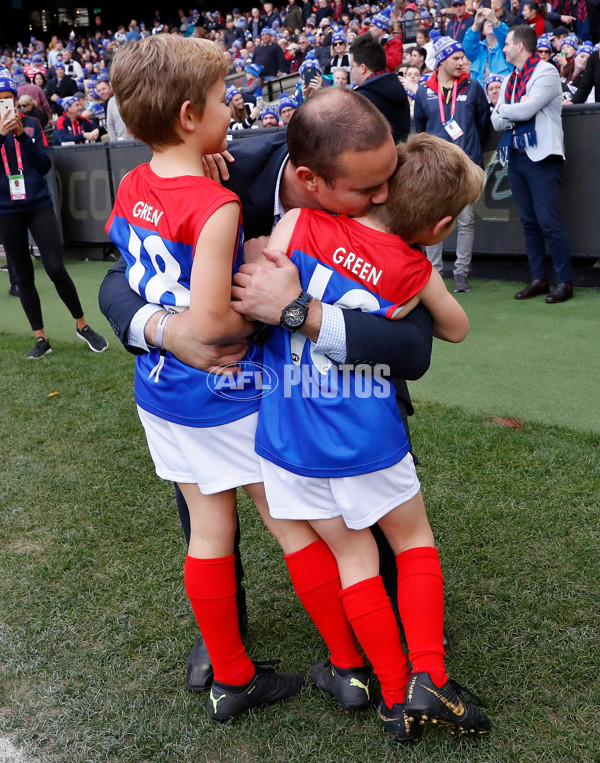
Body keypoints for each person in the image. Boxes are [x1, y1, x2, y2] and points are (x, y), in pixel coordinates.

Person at [98, 88, 435, 692]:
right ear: (307, 178)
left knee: (353, 552)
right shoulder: (223, 177)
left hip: (345, 395)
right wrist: (166, 330)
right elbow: (116, 278)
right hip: (238, 389)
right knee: (217, 501)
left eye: (388, 180)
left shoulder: (391, 191)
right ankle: (235, 633)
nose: (386, 197)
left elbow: (414, 348)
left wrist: (299, 312)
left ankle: (347, 651)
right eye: (366, 190)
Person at [231, 127, 490, 742]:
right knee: (413, 540)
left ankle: (396, 699)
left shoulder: (300, 223)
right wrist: (416, 275)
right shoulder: (412, 268)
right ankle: (430, 674)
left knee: (353, 558)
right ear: (441, 225)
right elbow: (455, 329)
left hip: (290, 431)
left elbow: (262, 263)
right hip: (364, 432)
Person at [106, 34, 308, 723]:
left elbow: (145, 258)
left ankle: (231, 674)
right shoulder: (216, 205)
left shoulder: (134, 180)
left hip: (159, 388)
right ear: (191, 115)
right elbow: (217, 323)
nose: (233, 108)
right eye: (224, 99)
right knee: (292, 523)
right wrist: (264, 314)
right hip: (221, 390)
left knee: (207, 529)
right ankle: (352, 657)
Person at [0, 75, 107, 358]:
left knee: (56, 268)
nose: (5, 105)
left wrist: (22, 135)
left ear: (15, 99)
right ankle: (41, 338)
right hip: (6, 209)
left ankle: (82, 325)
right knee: (22, 275)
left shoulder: (32, 124)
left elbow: (45, 165)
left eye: (8, 99)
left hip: (37, 203)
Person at [492, 24, 574, 302]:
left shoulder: (546, 71)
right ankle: (539, 279)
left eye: (506, 44)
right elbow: (495, 121)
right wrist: (510, 108)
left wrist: (506, 109)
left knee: (548, 221)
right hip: (517, 155)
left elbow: (525, 109)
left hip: (543, 156)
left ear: (520, 46)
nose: (503, 48)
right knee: (529, 223)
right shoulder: (510, 79)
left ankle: (565, 281)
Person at [414, 36, 490, 292]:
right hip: (436, 171)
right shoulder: (424, 90)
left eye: (462, 58)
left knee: (466, 221)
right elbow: (422, 129)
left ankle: (461, 273)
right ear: (443, 60)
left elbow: (483, 126)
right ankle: (434, 273)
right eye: (456, 58)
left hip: (467, 168)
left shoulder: (474, 87)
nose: (462, 62)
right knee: (433, 221)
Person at [350, 33, 411, 143]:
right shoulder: (397, 86)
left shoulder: (361, 98)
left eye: (353, 66)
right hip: (402, 156)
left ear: (363, 68)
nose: (352, 71)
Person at [462, 7, 513, 88]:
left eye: (491, 21)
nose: (490, 23)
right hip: (480, 94)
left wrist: (495, 22)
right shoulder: (478, 49)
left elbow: (508, 38)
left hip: (501, 93)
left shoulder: (505, 48)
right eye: (486, 22)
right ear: (482, 31)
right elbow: (467, 47)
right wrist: (476, 24)